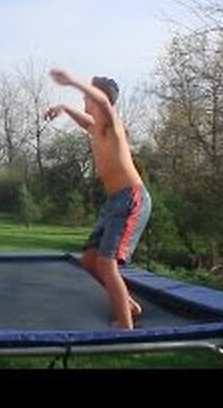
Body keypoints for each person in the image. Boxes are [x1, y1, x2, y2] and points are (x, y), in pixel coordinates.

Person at [45, 69, 152, 329]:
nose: (84, 100)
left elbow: (103, 102)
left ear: (98, 97)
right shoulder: (97, 129)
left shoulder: (113, 125)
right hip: (114, 202)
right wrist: (64, 108)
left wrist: (72, 81)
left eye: (86, 96)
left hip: (131, 199)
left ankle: (125, 329)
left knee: (106, 263)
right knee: (90, 261)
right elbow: (85, 121)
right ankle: (129, 306)